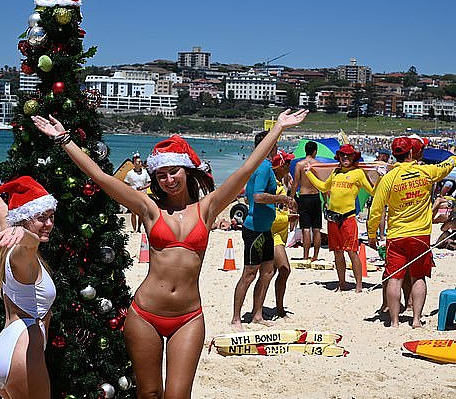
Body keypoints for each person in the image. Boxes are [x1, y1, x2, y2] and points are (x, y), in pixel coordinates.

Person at [32, 109, 308, 398]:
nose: (168, 180)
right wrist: (64, 139)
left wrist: (278, 128)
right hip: (144, 316)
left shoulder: (208, 208)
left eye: (173, 171)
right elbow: (100, 177)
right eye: (161, 175)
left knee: (178, 395)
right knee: (149, 394)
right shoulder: (150, 209)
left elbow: (246, 169)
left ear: (187, 171)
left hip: (188, 317)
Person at [0, 175, 57, 398]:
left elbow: (0, 209)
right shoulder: (21, 252)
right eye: (41, 218)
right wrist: (26, 235)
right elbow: (30, 245)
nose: (49, 224)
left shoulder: (9, 239)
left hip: (4, 349)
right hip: (23, 350)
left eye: (51, 217)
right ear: (24, 219)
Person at [368, 137, 455, 328]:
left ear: (394, 154)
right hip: (420, 235)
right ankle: (416, 320)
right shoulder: (425, 172)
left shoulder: (388, 178)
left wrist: (372, 235)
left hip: (397, 235)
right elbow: (447, 167)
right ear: (410, 153)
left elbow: (376, 210)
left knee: (395, 278)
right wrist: (454, 156)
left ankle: (395, 321)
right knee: (418, 277)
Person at [232, 132, 297, 328]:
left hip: (266, 228)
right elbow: (258, 197)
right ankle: (236, 318)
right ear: (269, 146)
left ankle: (257, 314)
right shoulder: (262, 167)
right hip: (255, 229)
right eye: (275, 145)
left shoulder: (261, 166)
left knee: (268, 272)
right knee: (249, 273)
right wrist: (283, 199)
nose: (277, 148)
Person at [305, 144, 377, 292]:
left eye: (348, 155)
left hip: (348, 218)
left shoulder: (358, 173)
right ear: (339, 157)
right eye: (343, 155)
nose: (345, 157)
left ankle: (358, 285)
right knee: (337, 252)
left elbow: (373, 191)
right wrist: (309, 173)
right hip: (332, 218)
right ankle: (342, 283)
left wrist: (380, 177)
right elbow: (324, 187)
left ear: (353, 157)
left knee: (351, 252)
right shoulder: (335, 172)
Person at [270, 150, 297, 318]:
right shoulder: (271, 183)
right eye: (287, 163)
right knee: (284, 269)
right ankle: (279, 309)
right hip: (273, 233)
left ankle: (260, 309)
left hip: (281, 230)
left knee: (268, 274)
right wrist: (287, 216)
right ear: (280, 165)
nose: (289, 165)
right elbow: (269, 209)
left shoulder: (282, 181)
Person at [291, 141, 322, 261]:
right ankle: (315, 256)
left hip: (304, 197)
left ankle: (305, 255)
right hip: (315, 196)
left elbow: (295, 183)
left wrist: (292, 198)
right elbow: (322, 184)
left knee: (305, 228)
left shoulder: (299, 164)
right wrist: (325, 199)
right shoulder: (318, 164)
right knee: (317, 228)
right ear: (315, 151)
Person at [124, 155, 151, 232]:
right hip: (133, 195)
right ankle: (134, 229)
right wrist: (131, 189)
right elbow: (126, 182)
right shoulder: (130, 173)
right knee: (133, 212)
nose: (140, 163)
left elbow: (149, 182)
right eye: (138, 162)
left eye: (140, 161)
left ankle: (139, 228)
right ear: (134, 163)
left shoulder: (145, 172)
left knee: (142, 213)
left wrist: (143, 188)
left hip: (143, 194)